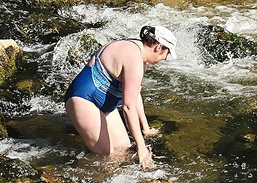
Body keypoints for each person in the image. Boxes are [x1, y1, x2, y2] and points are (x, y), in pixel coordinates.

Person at [65, 22, 176, 169]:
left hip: (105, 104)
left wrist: (146, 128)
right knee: (105, 156)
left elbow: (135, 94)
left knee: (122, 151)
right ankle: (71, 172)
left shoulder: (138, 51)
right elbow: (128, 107)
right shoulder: (134, 58)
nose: (164, 58)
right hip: (83, 99)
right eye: (167, 54)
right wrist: (141, 147)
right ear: (158, 47)